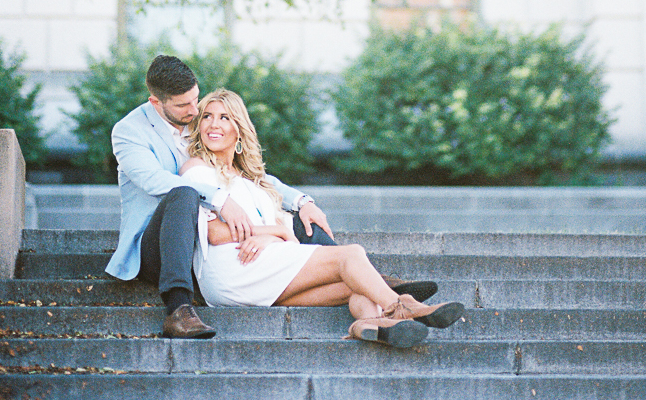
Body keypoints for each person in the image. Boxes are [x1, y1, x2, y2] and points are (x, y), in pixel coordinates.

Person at [105, 55, 435, 339]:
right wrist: (227, 204)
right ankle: (178, 308)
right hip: (161, 241)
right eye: (188, 107)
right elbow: (155, 181)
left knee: (335, 259)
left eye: (198, 102)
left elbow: (252, 176)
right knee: (183, 193)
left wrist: (302, 201)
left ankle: (369, 318)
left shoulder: (196, 122)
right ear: (156, 102)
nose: (197, 112)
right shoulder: (131, 132)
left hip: (226, 255)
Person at [181, 88, 466, 348]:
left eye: (224, 117)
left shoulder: (253, 181)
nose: (213, 124)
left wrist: (279, 227)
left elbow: (285, 232)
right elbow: (215, 233)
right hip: (232, 268)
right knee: (351, 255)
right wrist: (276, 233)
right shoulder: (197, 168)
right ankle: (401, 306)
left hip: (261, 275)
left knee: (356, 284)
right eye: (206, 116)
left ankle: (370, 323)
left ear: (239, 130)